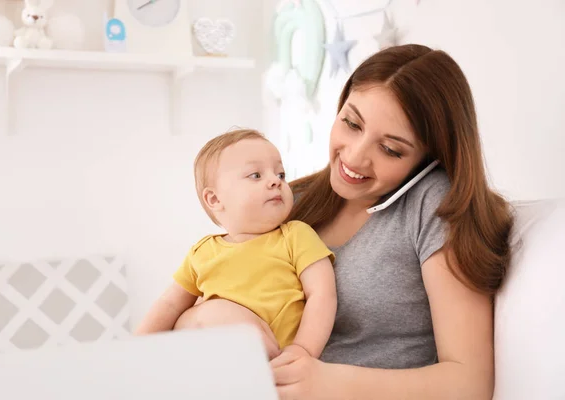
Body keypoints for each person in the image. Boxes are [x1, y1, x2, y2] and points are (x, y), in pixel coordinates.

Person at [173, 44, 514, 399]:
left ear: (430, 155)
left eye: (391, 149)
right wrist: (208, 315)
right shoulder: (293, 202)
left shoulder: (434, 206)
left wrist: (326, 382)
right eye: (351, 123)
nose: (354, 156)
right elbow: (194, 313)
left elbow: (470, 384)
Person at [134, 129, 337, 361]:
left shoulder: (296, 235)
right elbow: (169, 304)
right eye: (255, 175)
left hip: (279, 365)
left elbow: (322, 294)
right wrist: (137, 350)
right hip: (217, 363)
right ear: (215, 199)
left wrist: (303, 350)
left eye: (280, 174)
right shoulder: (202, 252)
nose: (275, 181)